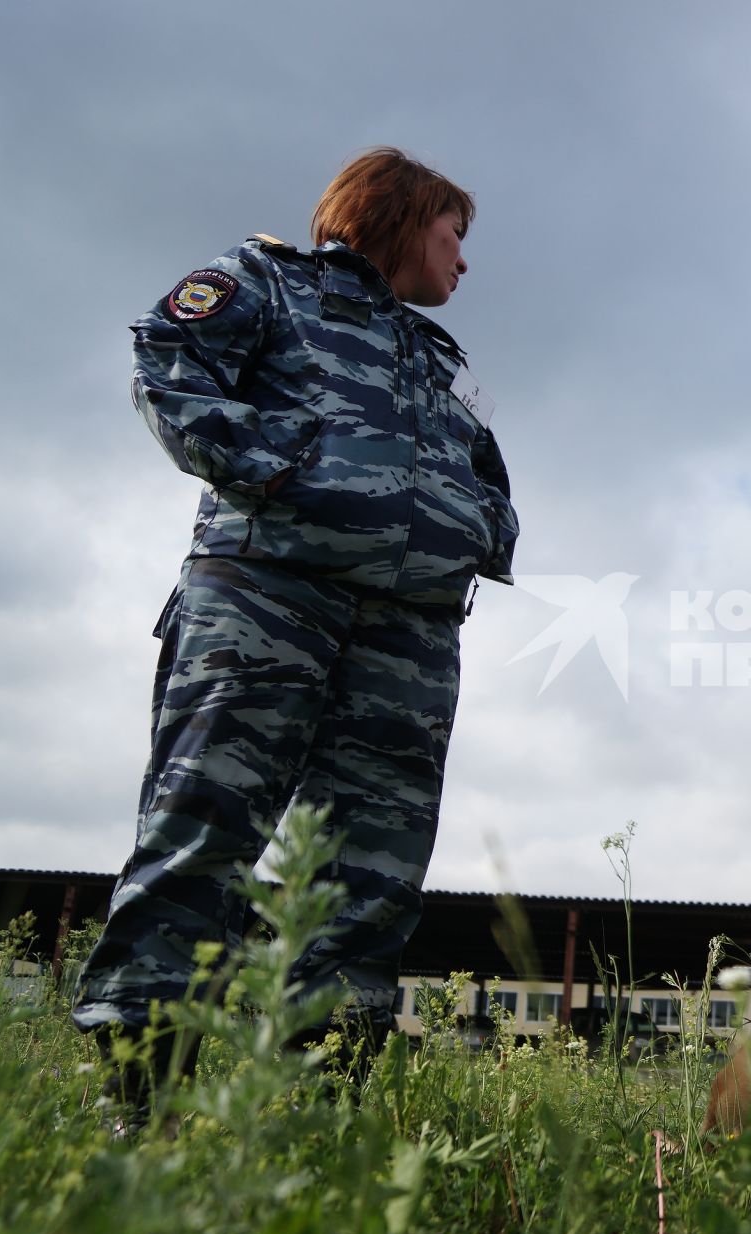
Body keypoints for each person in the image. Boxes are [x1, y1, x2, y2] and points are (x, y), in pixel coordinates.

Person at [72, 147, 519, 1115]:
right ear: (403, 217)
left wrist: (485, 528)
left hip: (407, 636)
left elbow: (486, 469)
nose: (464, 262)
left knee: (372, 871)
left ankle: (319, 1111)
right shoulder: (264, 284)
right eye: (455, 235)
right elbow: (167, 362)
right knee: (205, 835)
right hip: (267, 601)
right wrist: (280, 470)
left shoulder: (437, 357)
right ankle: (139, 1103)